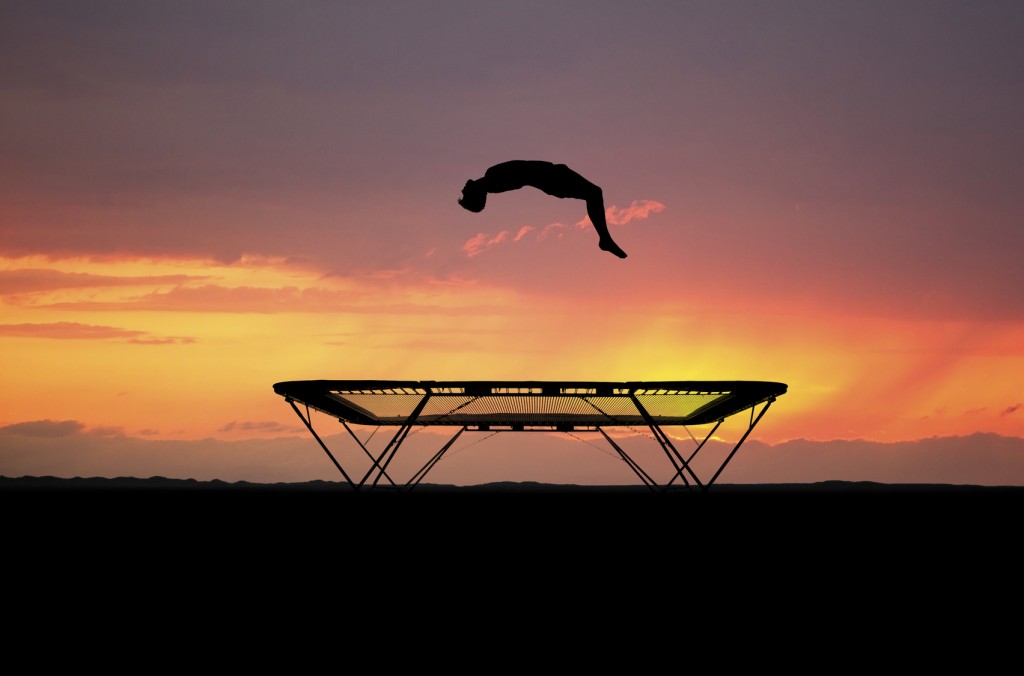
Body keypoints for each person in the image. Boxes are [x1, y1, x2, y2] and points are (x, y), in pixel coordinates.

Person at [458, 160, 628, 259]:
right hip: (552, 179)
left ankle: (604, 239)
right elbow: (524, 172)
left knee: (594, 193)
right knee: (594, 193)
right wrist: (471, 187)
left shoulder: (492, 181)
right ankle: (604, 239)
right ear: (476, 192)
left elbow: (523, 171)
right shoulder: (493, 179)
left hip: (552, 176)